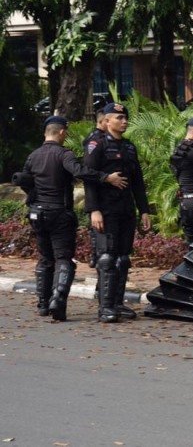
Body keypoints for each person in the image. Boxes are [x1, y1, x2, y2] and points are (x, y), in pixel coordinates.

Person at [17, 116, 127, 321]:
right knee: (64, 260)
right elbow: (80, 171)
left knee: (45, 259)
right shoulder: (64, 155)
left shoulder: (33, 156)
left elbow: (25, 180)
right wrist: (106, 177)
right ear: (61, 133)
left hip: (37, 214)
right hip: (59, 213)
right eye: (65, 132)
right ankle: (57, 300)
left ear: (45, 133)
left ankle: (42, 303)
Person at [84, 102, 151, 323]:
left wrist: (144, 210)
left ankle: (118, 303)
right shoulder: (98, 144)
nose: (123, 122)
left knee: (123, 259)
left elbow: (137, 181)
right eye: (118, 118)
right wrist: (94, 210)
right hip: (106, 209)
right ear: (107, 120)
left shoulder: (129, 147)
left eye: (125, 118)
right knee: (106, 258)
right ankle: (105, 307)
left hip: (125, 209)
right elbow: (88, 177)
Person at [83, 108, 108, 269]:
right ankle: (96, 257)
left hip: (109, 196)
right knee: (99, 234)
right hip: (99, 193)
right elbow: (89, 173)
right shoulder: (95, 140)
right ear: (101, 122)